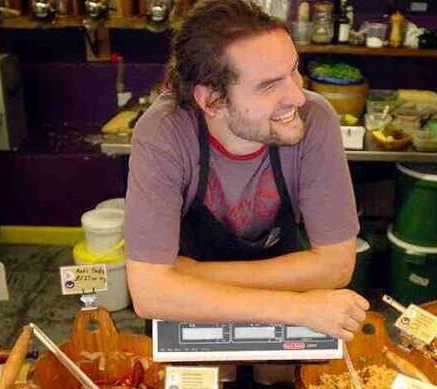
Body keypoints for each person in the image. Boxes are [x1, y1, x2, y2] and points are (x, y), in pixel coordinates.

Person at [124, 0, 368, 340]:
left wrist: (189, 276)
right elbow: (150, 295)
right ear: (212, 101)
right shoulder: (164, 132)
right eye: (269, 86)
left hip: (204, 300)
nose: (297, 96)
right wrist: (299, 308)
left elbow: (337, 265)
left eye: (293, 70)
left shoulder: (316, 118)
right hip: (194, 321)